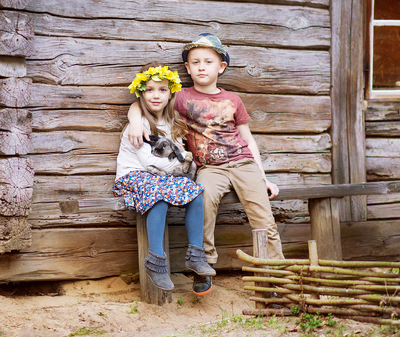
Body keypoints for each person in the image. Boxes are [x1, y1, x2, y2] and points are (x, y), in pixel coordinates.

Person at [127, 34, 284, 295]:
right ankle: (204, 265)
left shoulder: (233, 100)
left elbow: (248, 139)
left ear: (221, 67)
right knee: (203, 201)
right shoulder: (180, 97)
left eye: (208, 62)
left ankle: (275, 277)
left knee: (263, 219)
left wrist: (263, 176)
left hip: (243, 164)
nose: (202, 67)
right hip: (209, 169)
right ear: (187, 68)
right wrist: (134, 122)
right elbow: (141, 103)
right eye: (195, 62)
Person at [113, 65, 216, 294]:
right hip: (134, 174)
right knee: (157, 195)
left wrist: (184, 167)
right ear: (141, 94)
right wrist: (182, 166)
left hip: (161, 177)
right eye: (149, 90)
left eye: (162, 90)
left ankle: (196, 255)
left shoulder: (172, 122)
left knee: (193, 190)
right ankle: (156, 261)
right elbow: (150, 162)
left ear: (170, 94)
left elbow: (177, 153)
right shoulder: (138, 125)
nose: (156, 95)